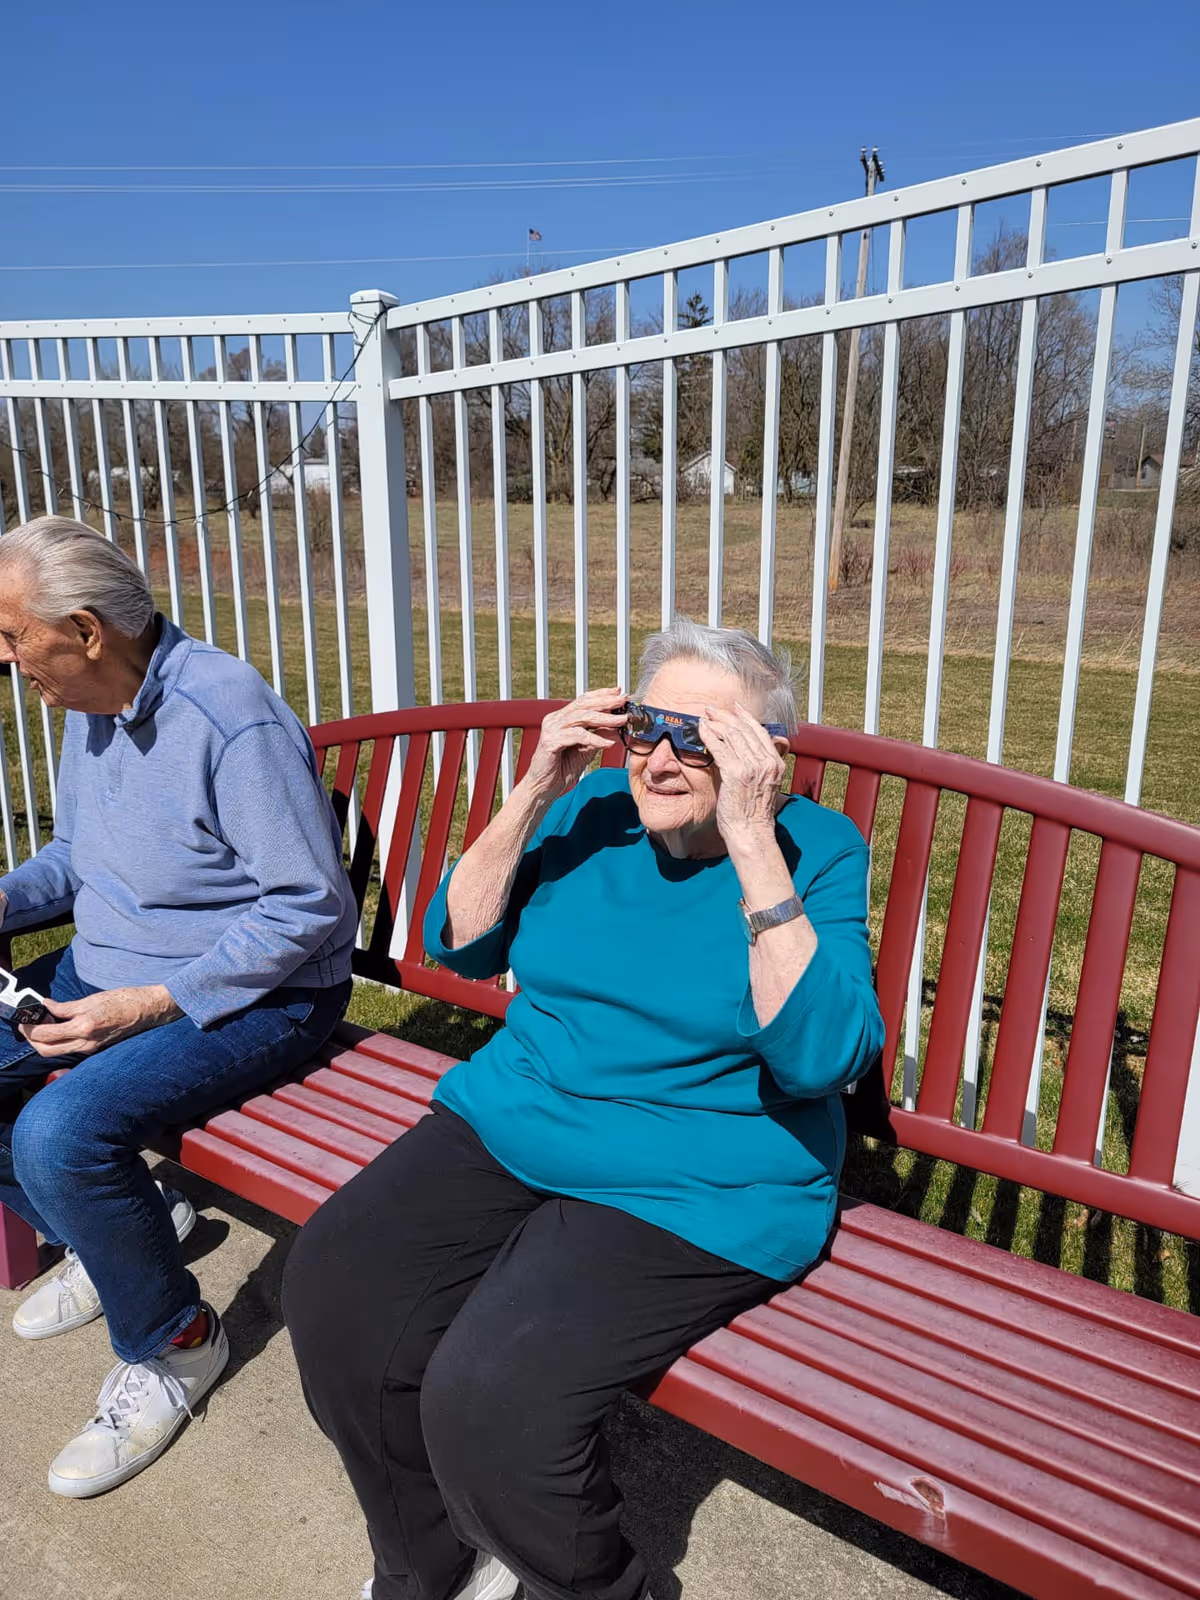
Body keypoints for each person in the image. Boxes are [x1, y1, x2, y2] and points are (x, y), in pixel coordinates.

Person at [284, 616, 885, 1600]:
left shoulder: (811, 849)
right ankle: (424, 1560)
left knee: (489, 1404)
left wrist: (748, 841)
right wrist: (538, 787)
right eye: (649, 724)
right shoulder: (590, 807)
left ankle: (598, 1586)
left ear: (766, 756)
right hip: (521, 1113)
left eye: (703, 736)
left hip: (697, 1171)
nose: (661, 755)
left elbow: (823, 1056)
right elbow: (459, 939)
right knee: (333, 1295)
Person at [0, 515, 356, 1498]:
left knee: (60, 1126)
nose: (4, 656)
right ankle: (121, 1228)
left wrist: (147, 1004)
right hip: (108, 970)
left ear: (83, 629)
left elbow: (309, 903)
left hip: (255, 994)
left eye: (11, 635)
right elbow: (80, 857)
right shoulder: (89, 702)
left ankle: (175, 1342)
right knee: (39, 1124)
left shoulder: (227, 716)